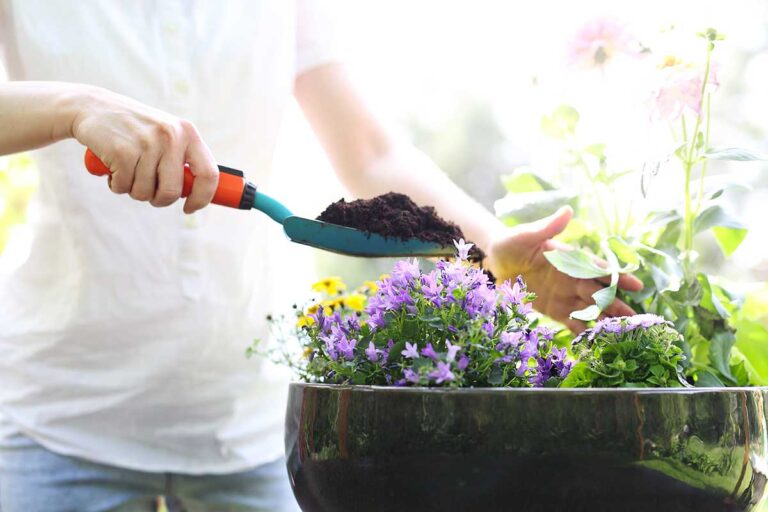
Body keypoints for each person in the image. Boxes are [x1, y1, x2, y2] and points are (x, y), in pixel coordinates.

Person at [0, 1, 643, 510]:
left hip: (252, 424)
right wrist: (74, 106)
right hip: (59, 419)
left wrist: (489, 255)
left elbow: (371, 154)